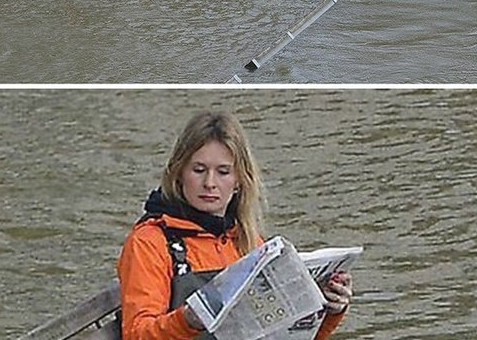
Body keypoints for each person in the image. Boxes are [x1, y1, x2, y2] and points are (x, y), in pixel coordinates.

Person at [117, 111, 353, 340]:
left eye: (223, 172)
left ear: (239, 180)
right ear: (179, 174)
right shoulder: (150, 241)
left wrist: (330, 311)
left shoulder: (248, 240)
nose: (210, 183)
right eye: (199, 170)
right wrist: (187, 320)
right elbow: (138, 334)